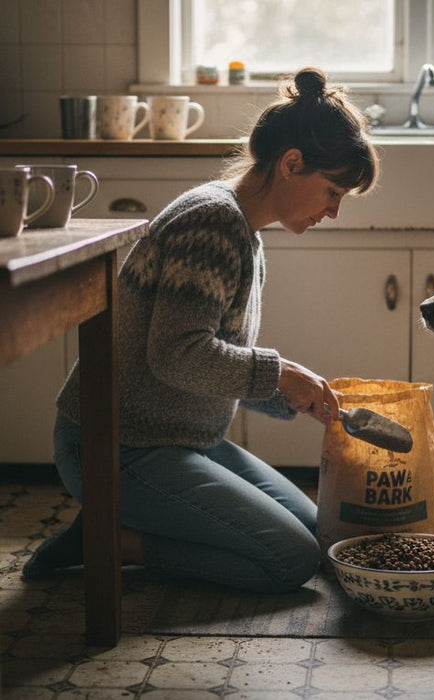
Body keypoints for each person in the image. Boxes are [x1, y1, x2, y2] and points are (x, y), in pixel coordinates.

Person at [23, 67, 379, 592]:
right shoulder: (211, 224)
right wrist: (280, 374)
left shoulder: (243, 231)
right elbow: (178, 355)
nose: (334, 210)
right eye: (332, 191)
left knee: (320, 536)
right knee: (291, 558)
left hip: (184, 439)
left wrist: (292, 396)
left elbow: (212, 363)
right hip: (116, 444)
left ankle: (133, 525)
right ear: (291, 164)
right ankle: (113, 540)